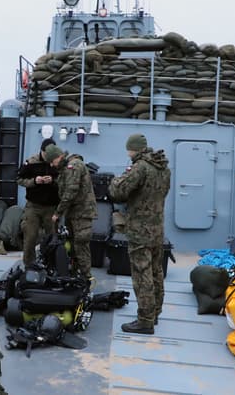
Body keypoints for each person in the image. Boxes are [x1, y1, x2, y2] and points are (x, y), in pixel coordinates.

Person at [108, 133, 171, 335]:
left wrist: (115, 181)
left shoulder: (140, 168)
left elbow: (118, 192)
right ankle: (155, 313)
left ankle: (145, 320)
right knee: (156, 272)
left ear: (132, 149)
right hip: (156, 229)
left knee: (142, 274)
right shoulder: (163, 168)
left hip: (140, 231)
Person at [43, 144, 97, 280]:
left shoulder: (74, 166)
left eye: (52, 161)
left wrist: (58, 213)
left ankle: (86, 279)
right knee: (72, 246)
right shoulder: (66, 168)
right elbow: (66, 185)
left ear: (59, 156)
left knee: (81, 246)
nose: (51, 165)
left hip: (81, 214)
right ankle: (74, 276)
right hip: (73, 214)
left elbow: (71, 192)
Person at [16, 138, 60, 267]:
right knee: (30, 237)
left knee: (52, 238)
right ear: (41, 151)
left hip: (51, 207)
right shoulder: (30, 162)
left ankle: (52, 264)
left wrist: (52, 181)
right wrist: (35, 181)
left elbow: (63, 181)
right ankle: (29, 265)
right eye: (47, 154)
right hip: (33, 206)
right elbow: (19, 179)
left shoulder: (57, 163)